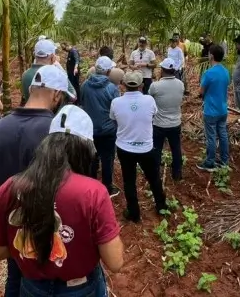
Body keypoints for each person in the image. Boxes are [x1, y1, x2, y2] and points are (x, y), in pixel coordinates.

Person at [0, 105, 124, 297]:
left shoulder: (10, 188)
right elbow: (115, 261)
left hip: (32, 287)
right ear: (84, 151)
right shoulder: (93, 193)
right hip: (81, 289)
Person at [0, 65, 71, 296]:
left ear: (30, 90)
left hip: (13, 225)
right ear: (57, 95)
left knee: (15, 274)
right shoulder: (60, 133)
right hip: (51, 226)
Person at [111, 71, 168, 222]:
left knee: (129, 180)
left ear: (123, 85)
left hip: (124, 148)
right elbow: (153, 115)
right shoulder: (149, 100)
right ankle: (161, 207)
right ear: (142, 85)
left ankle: (134, 213)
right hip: (146, 147)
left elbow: (113, 119)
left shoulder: (116, 102)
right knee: (154, 177)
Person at [79, 56, 122, 197]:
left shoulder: (85, 85)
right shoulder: (112, 88)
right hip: (108, 130)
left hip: (89, 130)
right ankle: (107, 188)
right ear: (108, 71)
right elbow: (116, 110)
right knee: (107, 159)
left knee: (92, 158)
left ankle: (91, 186)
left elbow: (82, 103)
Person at [149, 58, 185, 181]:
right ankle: (177, 173)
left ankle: (154, 174)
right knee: (176, 148)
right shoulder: (180, 84)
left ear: (162, 70)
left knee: (157, 149)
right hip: (175, 123)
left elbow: (149, 99)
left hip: (159, 124)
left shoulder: (156, 86)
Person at [198, 44, 231, 171]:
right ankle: (224, 160)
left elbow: (201, 91)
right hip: (223, 109)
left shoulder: (208, 73)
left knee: (211, 136)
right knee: (222, 135)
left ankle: (210, 161)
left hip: (211, 110)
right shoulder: (225, 71)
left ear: (211, 55)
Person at [21, 39, 76, 105]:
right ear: (53, 57)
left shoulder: (25, 75)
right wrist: (59, 68)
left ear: (35, 55)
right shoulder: (56, 74)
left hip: (31, 114)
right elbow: (73, 96)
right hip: (52, 115)